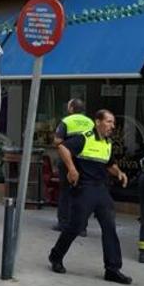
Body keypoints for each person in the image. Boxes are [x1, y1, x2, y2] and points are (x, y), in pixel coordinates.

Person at [48, 109, 132, 285]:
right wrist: (71, 169)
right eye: (109, 122)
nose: (112, 126)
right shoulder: (84, 138)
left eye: (113, 123)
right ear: (98, 122)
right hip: (84, 188)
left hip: (101, 189)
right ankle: (56, 257)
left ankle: (113, 269)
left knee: (109, 227)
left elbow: (109, 164)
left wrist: (119, 173)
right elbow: (62, 147)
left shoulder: (108, 143)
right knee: (75, 226)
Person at [53, 98, 95, 235]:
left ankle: (64, 223)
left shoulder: (66, 121)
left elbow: (58, 141)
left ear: (71, 109)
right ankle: (81, 227)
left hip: (68, 161)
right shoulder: (91, 122)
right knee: (82, 193)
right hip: (86, 162)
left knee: (65, 191)